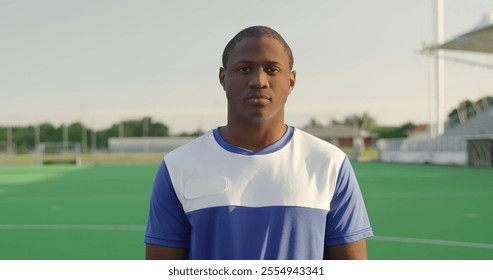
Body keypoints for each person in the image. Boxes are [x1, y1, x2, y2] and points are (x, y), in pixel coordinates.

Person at [144, 26, 373, 260]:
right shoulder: (178, 166)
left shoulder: (329, 163)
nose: (259, 81)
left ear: (291, 81)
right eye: (244, 69)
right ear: (223, 78)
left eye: (272, 70)